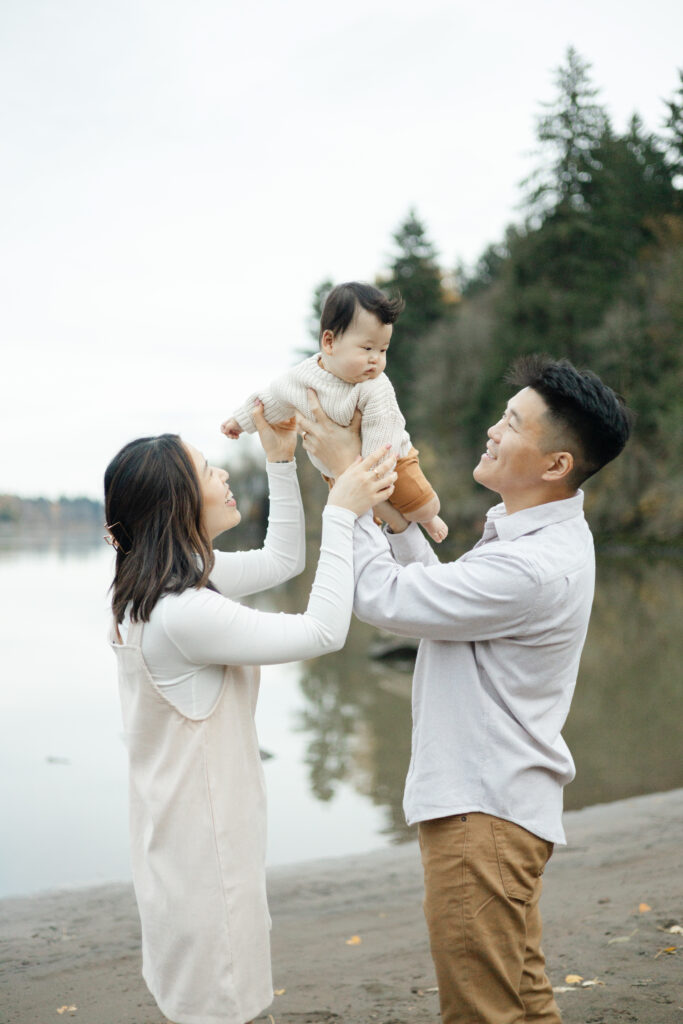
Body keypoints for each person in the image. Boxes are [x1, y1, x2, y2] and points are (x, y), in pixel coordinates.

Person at [297, 355, 633, 1024]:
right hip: (501, 809)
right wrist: (396, 516)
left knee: (482, 1011)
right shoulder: (537, 540)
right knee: (522, 1000)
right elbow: (442, 601)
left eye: (512, 423)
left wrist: (346, 490)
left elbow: (385, 598)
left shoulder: (532, 565)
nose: (492, 430)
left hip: (482, 817)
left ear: (556, 464)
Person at [104, 402, 396, 1024]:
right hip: (205, 855)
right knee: (224, 1003)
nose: (222, 476)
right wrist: (340, 514)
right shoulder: (185, 612)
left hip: (176, 839)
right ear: (179, 503)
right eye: (208, 471)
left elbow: (283, 561)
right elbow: (322, 632)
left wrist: (280, 461)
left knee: (203, 999)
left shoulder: (152, 587)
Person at [221, 281, 449, 542]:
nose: (376, 359)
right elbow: (273, 398)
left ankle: (429, 520)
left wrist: (371, 478)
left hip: (391, 460)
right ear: (329, 342)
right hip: (332, 467)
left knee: (421, 507)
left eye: (383, 350)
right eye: (367, 348)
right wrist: (240, 420)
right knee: (357, 525)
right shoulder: (304, 376)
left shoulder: (375, 387)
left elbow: (383, 434)